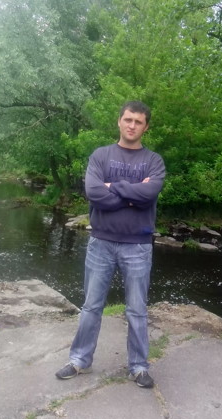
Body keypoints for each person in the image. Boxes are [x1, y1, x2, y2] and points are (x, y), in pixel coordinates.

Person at [56, 100, 165, 388]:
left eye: (138, 122)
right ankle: (79, 360)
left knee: (137, 310)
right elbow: (94, 192)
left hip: (138, 246)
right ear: (119, 121)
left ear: (146, 127)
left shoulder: (154, 161)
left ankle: (138, 367)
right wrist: (133, 195)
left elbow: (150, 194)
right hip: (101, 242)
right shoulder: (101, 155)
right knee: (91, 306)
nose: (132, 125)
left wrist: (113, 188)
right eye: (128, 119)